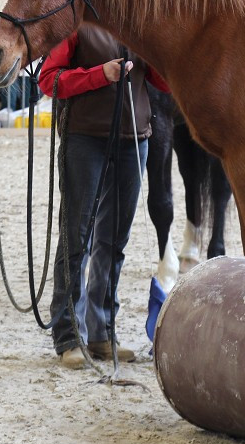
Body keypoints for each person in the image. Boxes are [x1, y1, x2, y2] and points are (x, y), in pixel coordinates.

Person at [38, 30, 170, 368]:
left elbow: (165, 82)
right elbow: (49, 80)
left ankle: (102, 332)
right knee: (76, 238)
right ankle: (69, 336)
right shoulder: (76, 27)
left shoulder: (139, 25)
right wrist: (100, 75)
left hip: (135, 138)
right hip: (85, 138)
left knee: (114, 243)